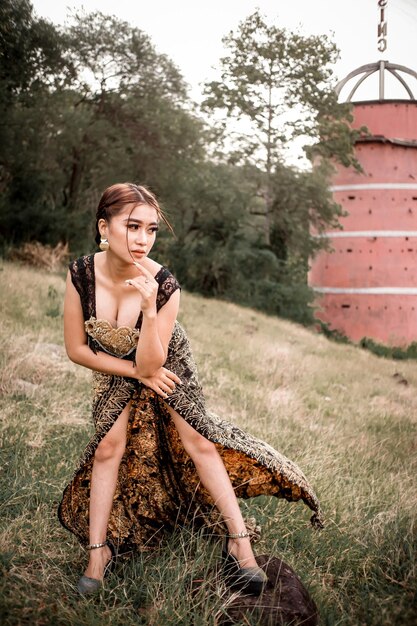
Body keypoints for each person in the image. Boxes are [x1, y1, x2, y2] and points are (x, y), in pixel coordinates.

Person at [58, 182, 323, 597]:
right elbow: (76, 349)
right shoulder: (80, 274)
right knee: (109, 444)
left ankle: (240, 544)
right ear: (103, 227)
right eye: (132, 227)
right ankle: (98, 553)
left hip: (163, 357)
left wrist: (148, 308)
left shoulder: (165, 285)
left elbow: (151, 364)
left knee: (197, 438)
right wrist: (132, 372)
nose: (143, 239)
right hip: (110, 363)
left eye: (151, 230)